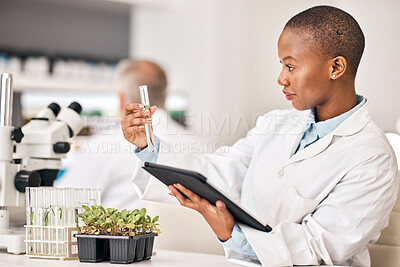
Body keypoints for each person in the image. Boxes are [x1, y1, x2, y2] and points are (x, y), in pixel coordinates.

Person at [121, 6, 399, 267]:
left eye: (290, 66)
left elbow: (321, 246)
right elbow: (222, 171)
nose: (281, 78)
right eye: (281, 65)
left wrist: (233, 235)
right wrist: (148, 147)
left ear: (335, 68)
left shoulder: (372, 156)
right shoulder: (276, 123)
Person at [55, 60, 185, 210]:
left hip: (124, 232)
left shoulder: (103, 145)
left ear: (122, 99)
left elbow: (62, 206)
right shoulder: (199, 144)